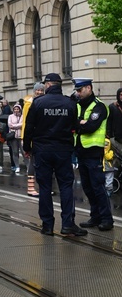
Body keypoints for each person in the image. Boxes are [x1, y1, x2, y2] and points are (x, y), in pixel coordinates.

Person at [23, 73, 87, 236]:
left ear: (48, 85)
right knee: (66, 186)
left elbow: (29, 127)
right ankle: (67, 224)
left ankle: (47, 225)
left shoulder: (37, 103)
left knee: (44, 187)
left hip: (42, 150)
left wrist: (27, 147)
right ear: (59, 85)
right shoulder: (69, 103)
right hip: (63, 150)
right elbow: (75, 126)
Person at [73, 78, 114, 231]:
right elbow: (72, 124)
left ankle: (106, 219)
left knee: (98, 186)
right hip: (81, 151)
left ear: (89, 88)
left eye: (80, 90)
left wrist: (80, 124)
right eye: (76, 90)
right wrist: (80, 123)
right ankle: (95, 216)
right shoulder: (77, 105)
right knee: (87, 187)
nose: (77, 93)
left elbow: (91, 126)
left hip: (94, 152)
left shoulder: (99, 106)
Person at [21, 82, 45, 196]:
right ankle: (31, 188)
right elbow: (26, 122)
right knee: (32, 162)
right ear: (34, 91)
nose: (39, 92)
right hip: (32, 137)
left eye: (41, 90)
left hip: (41, 136)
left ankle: (43, 187)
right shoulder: (29, 103)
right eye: (38, 90)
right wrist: (25, 139)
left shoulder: (43, 101)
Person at [7, 103, 25, 174]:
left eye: (17, 109)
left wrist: (14, 126)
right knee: (15, 152)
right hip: (13, 137)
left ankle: (28, 166)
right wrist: (17, 126)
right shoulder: (10, 116)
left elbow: (23, 124)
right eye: (15, 109)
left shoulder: (23, 116)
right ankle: (17, 166)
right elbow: (9, 125)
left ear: (20, 109)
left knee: (24, 152)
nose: (16, 110)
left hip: (21, 136)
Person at [107, 87, 122, 156]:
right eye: (121, 95)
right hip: (117, 137)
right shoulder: (112, 107)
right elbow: (109, 121)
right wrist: (108, 134)